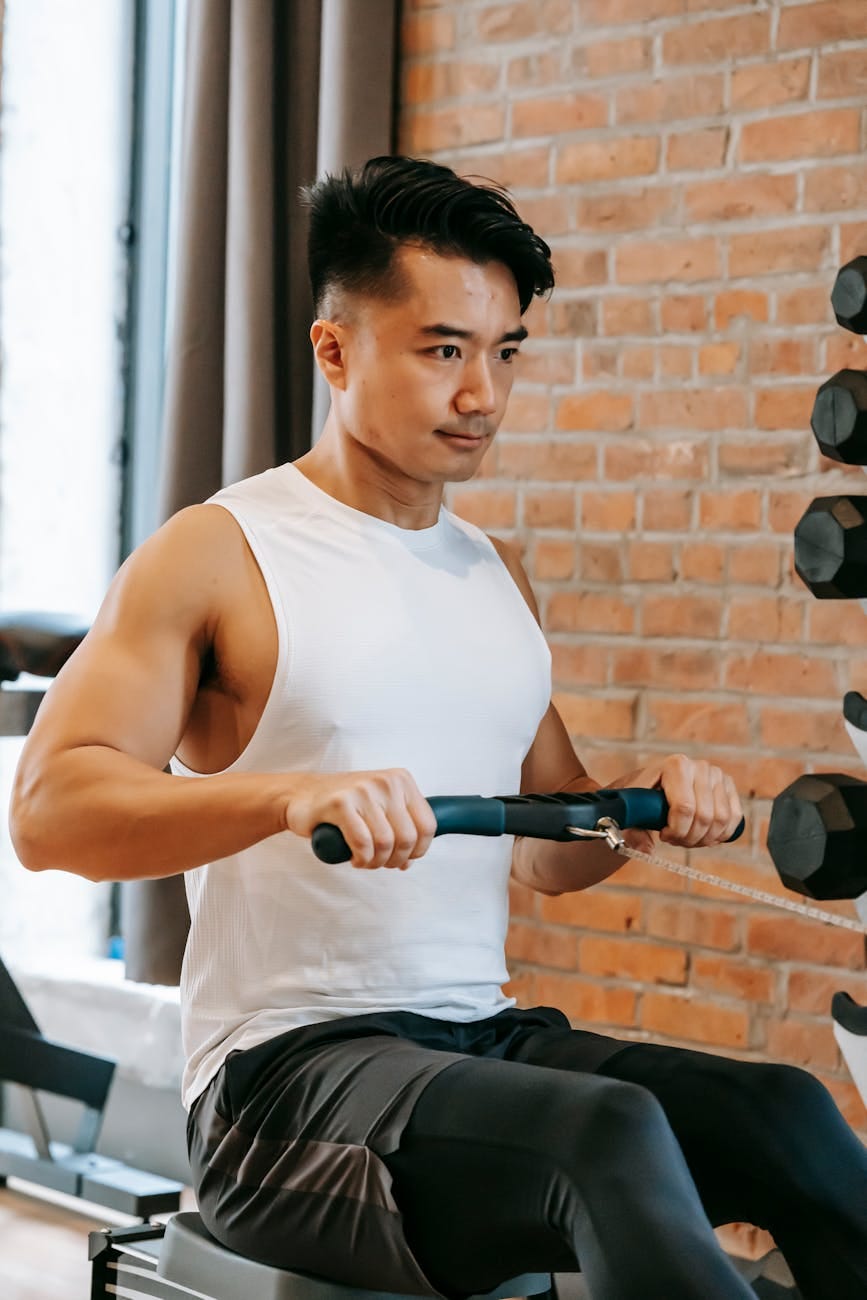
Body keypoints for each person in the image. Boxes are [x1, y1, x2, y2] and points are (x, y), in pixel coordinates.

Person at [9, 156, 867, 1300]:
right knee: (603, 1135)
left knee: (786, 1112)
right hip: (278, 1082)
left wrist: (645, 801)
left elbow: (556, 850)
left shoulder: (488, 572)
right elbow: (49, 812)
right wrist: (287, 795)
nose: (484, 394)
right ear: (336, 352)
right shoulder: (219, 552)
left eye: (505, 351)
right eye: (443, 350)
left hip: (474, 1038)